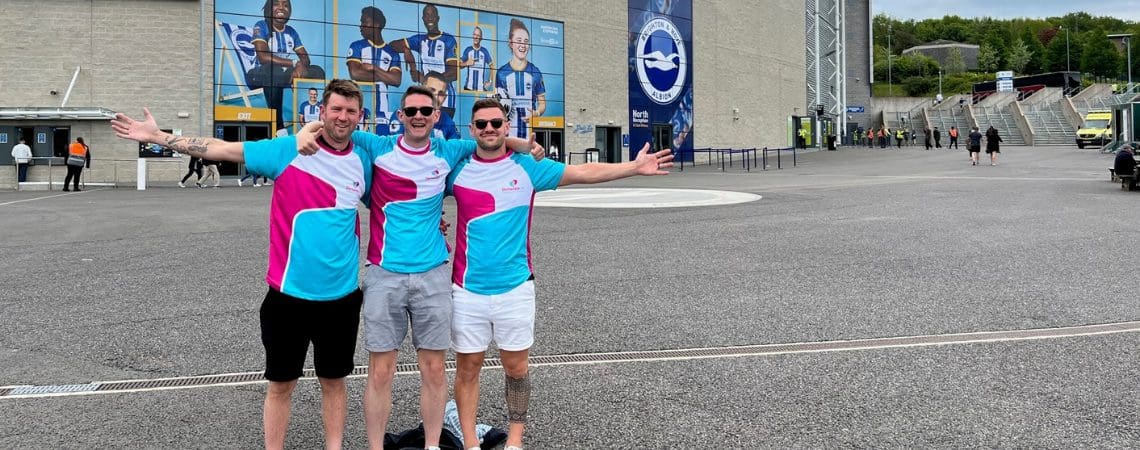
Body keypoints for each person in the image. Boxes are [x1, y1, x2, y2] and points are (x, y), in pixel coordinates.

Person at [112, 79, 376, 450]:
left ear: (360, 116)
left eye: (350, 111)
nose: (343, 117)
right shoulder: (287, 151)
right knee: (281, 384)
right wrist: (160, 136)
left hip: (342, 298)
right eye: (336, 109)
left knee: (334, 381)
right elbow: (220, 148)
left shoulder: (364, 159)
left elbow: (394, 197)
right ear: (321, 113)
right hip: (288, 296)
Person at [296, 85, 539, 450]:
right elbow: (331, 127)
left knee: (435, 369)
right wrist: (302, 132)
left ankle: (431, 445)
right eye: (411, 111)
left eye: (426, 110)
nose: (419, 116)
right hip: (383, 272)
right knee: (380, 372)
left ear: (436, 116)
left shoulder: (449, 150)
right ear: (400, 116)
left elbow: (491, 140)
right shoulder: (377, 146)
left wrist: (525, 145)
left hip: (433, 274)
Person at [447, 99, 674, 450]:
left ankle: (516, 440)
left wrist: (633, 167)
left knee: (516, 368)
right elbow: (417, 193)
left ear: (507, 127)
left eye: (495, 123)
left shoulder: (528, 167)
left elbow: (584, 173)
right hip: (467, 288)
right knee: (467, 368)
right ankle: (470, 442)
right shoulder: (457, 168)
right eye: (481, 124)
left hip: (515, 287)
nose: (488, 129)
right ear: (472, 129)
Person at [245, 0, 326, 133]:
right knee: (273, 69)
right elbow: (263, 57)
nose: (282, 7)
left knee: (317, 71)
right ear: (269, 8)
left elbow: (305, 58)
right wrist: (295, 64)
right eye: (276, 4)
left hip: (282, 75)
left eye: (286, 5)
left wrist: (299, 67)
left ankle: (317, 119)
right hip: (259, 75)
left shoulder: (291, 32)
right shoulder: (261, 26)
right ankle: (278, 127)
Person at [392, 4, 460, 117]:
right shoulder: (420, 40)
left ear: (437, 18)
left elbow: (454, 73)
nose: (429, 18)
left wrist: (426, 80)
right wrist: (406, 50)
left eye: (432, 15)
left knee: (440, 133)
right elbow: (393, 45)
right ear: (423, 19)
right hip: (425, 99)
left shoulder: (448, 40)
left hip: (445, 101)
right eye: (426, 15)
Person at [346, 6, 403, 136]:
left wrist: (373, 68)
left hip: (382, 111)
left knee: (380, 148)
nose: (361, 26)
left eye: (364, 22)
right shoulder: (356, 46)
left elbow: (396, 80)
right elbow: (355, 73)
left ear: (376, 24)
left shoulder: (392, 53)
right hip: (360, 108)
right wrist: (385, 75)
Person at [496, 19, 546, 139]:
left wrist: (537, 113)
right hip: (508, 137)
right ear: (511, 43)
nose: (523, 45)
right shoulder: (501, 73)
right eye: (519, 41)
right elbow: (497, 103)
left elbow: (542, 103)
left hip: (529, 137)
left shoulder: (535, 72)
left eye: (526, 41)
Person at [460, 27, 493, 92]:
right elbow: (459, 65)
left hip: (481, 89)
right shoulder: (468, 50)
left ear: (481, 38)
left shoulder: (484, 51)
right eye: (474, 34)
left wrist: (490, 81)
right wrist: (466, 63)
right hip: (468, 88)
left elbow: (492, 66)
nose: (475, 37)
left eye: (478, 35)